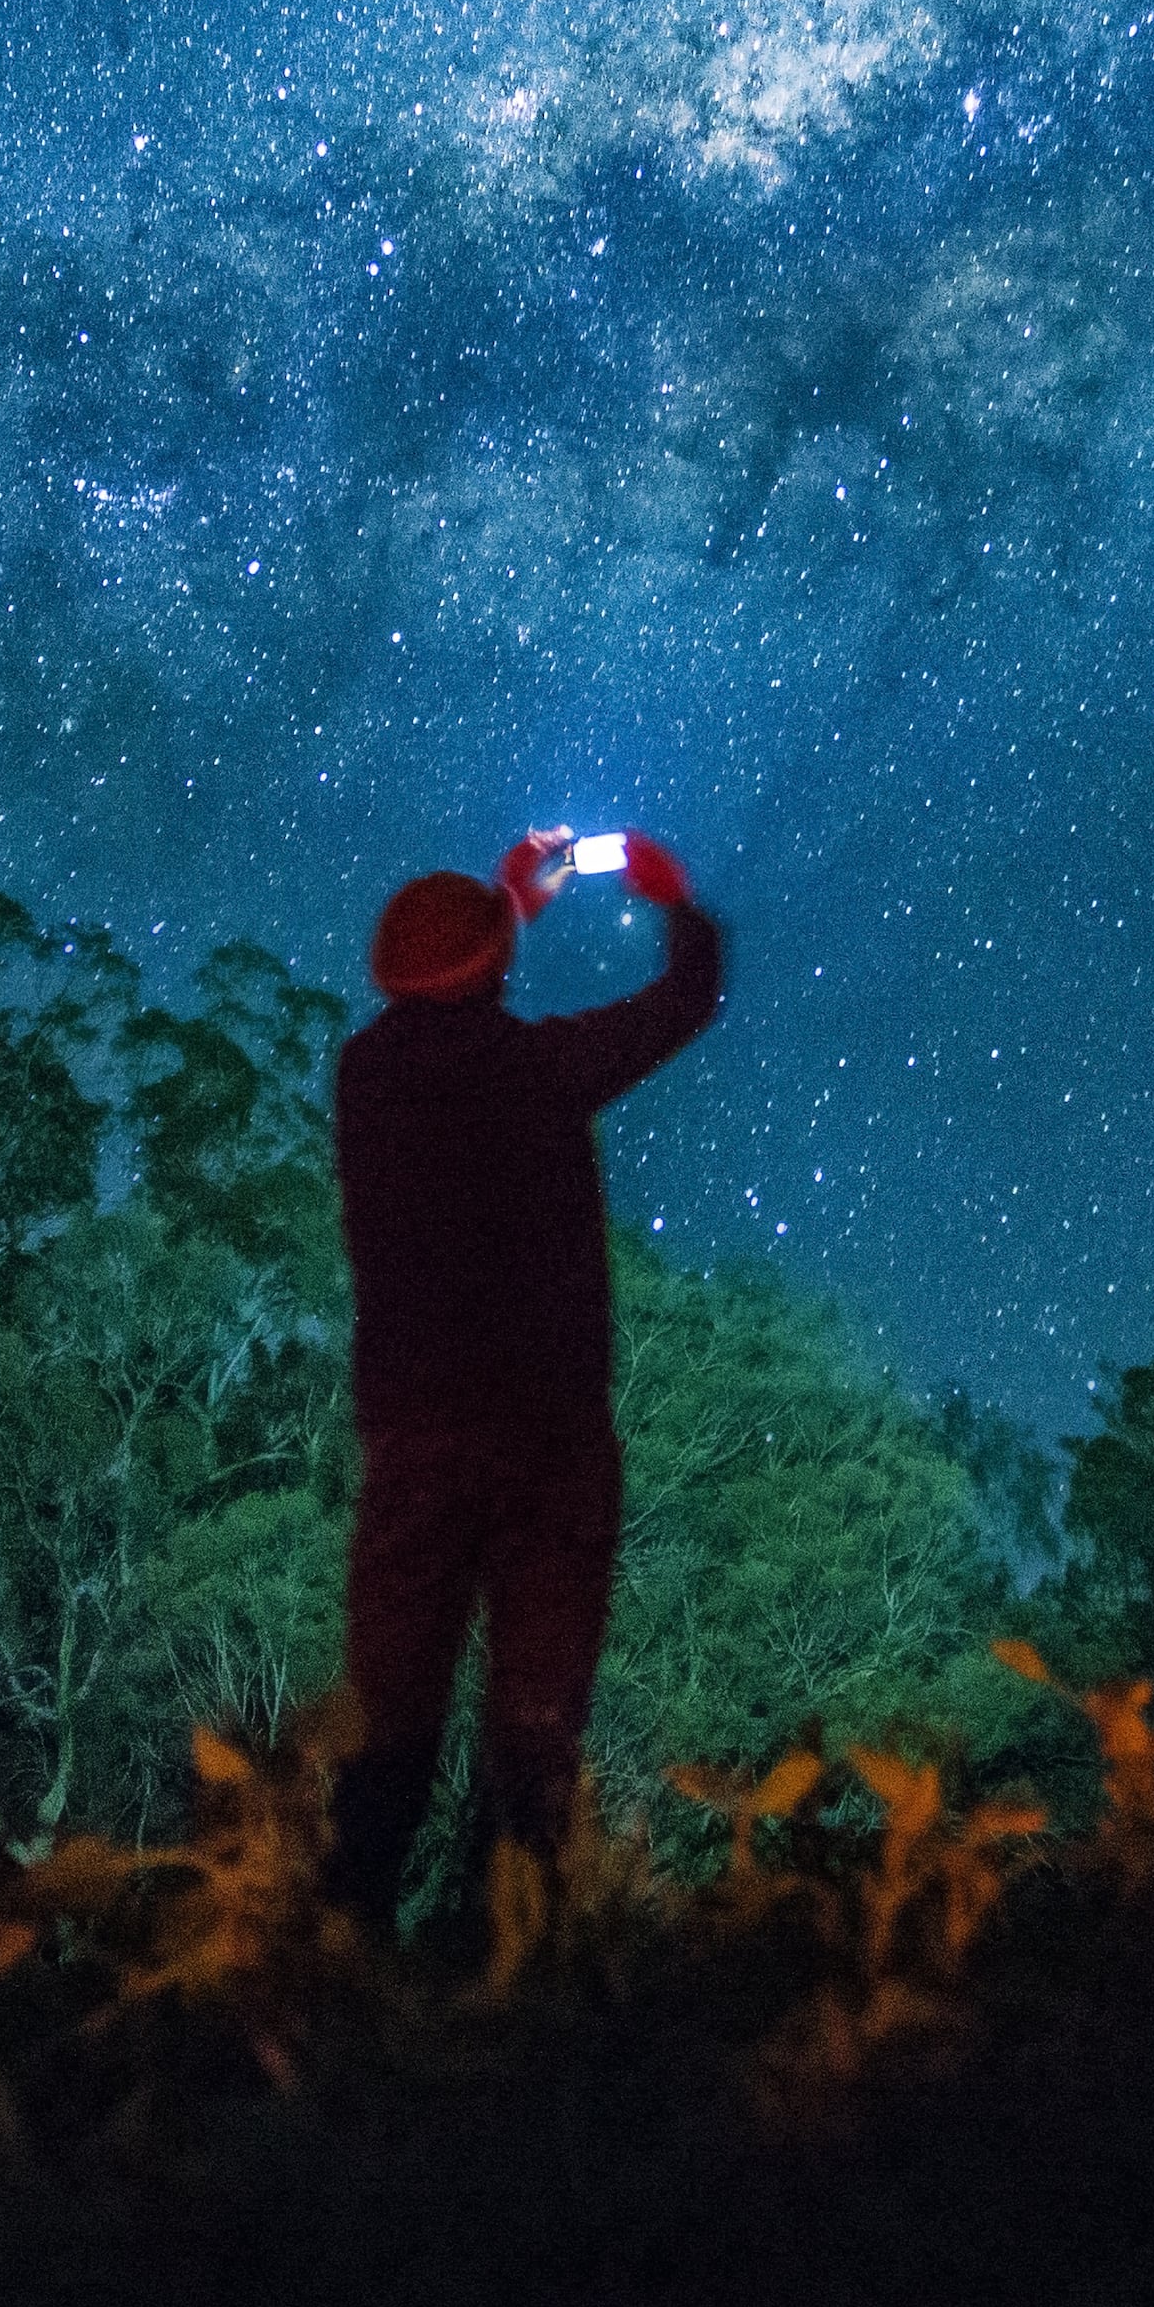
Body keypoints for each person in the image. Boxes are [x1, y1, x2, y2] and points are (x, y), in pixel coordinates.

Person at [321, 823, 724, 1928]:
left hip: (413, 1447)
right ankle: (515, 1977)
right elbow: (685, 999)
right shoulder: (541, 1073)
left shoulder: (364, 1078)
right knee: (534, 1737)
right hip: (549, 1449)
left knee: (388, 1733)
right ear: (491, 965)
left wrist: (505, 909)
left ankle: (327, 1973)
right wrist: (669, 897)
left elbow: (445, 1005)